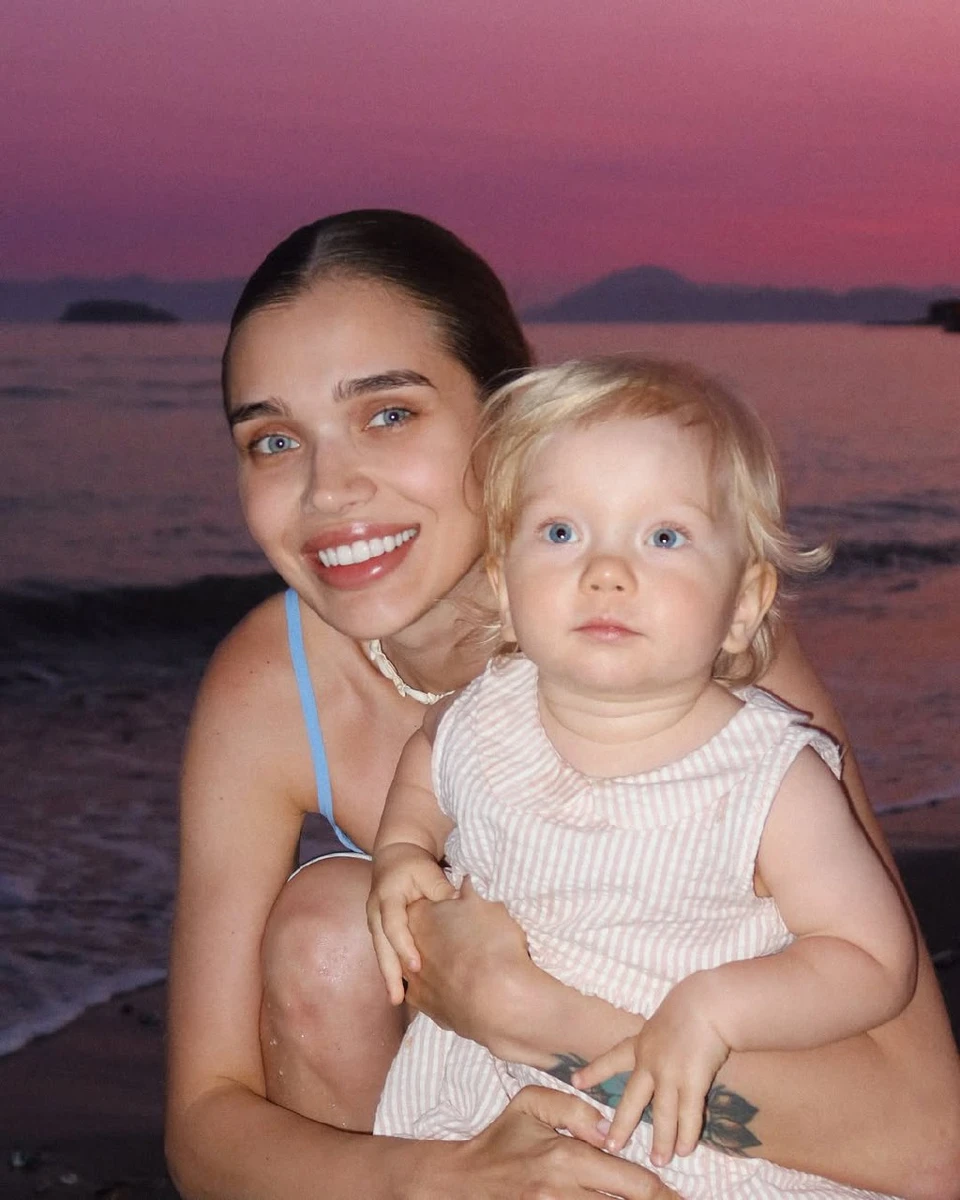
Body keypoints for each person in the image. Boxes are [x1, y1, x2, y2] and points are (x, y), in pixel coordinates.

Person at [164, 209, 960, 1200]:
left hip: (696, 1125)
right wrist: (435, 1180)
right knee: (330, 931)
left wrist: (529, 1014)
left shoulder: (694, 654)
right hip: (459, 1129)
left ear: (510, 422)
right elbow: (203, 1127)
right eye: (274, 440)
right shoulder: (271, 686)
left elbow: (931, 1145)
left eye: (389, 414)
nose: (329, 491)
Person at [367, 356, 918, 1197]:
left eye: (664, 538)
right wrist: (404, 847)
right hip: (492, 1110)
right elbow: (427, 760)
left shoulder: (767, 778)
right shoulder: (487, 712)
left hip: (691, 1150)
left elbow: (872, 960)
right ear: (504, 588)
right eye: (561, 533)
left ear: (744, 604)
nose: (606, 570)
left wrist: (718, 1008)